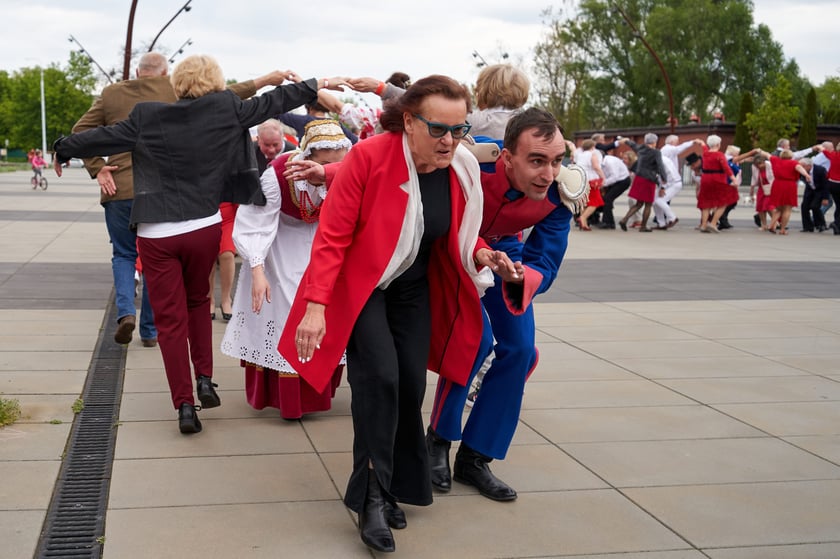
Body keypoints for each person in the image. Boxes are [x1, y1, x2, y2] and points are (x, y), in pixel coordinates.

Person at [275, 75, 518, 553]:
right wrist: (316, 307)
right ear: (408, 121)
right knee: (378, 380)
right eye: (438, 128)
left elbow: (457, 234)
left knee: (410, 383)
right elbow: (333, 236)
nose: (450, 140)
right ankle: (371, 498)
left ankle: (396, 486)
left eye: (459, 129)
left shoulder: (461, 168)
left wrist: (483, 253)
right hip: (363, 288)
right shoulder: (368, 158)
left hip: (413, 289)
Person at [54, 53, 349, 434]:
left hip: (157, 235)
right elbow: (274, 102)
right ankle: (205, 379)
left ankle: (183, 405)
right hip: (203, 227)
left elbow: (100, 137)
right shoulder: (226, 108)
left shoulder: (146, 116)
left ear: (178, 83)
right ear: (215, 82)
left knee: (170, 321)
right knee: (198, 304)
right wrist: (317, 84)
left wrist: (63, 148)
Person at [425, 108, 579, 505]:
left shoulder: (561, 196)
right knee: (473, 341)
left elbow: (545, 261)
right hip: (455, 245)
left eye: (557, 160)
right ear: (508, 157)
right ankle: (438, 441)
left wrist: (518, 277)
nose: (549, 173)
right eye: (537, 160)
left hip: (506, 254)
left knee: (520, 350)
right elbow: (396, 167)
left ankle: (476, 456)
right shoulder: (471, 161)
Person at [70, 52, 261, 346]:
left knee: (123, 254)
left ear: (137, 70)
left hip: (117, 188)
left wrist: (98, 169)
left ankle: (125, 313)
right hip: (158, 190)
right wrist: (265, 81)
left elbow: (80, 132)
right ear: (166, 73)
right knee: (153, 262)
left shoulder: (111, 93)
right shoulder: (174, 90)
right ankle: (149, 330)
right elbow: (226, 97)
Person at [221, 119, 352, 419]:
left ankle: (317, 391)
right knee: (284, 314)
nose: (329, 171)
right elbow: (256, 222)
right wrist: (257, 269)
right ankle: (287, 400)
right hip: (280, 244)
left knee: (324, 316)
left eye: (336, 165)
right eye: (325, 165)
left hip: (323, 245)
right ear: (308, 158)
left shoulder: (344, 172)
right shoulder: (278, 173)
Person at [619, 133, 666, 232]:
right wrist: (664, 178)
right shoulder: (656, 152)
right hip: (649, 179)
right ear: (654, 142)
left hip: (639, 177)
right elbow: (660, 166)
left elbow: (632, 144)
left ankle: (624, 219)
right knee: (648, 204)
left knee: (639, 203)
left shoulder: (640, 149)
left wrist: (625, 140)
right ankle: (643, 226)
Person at [760, 148, 813, 235]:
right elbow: (799, 168)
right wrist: (806, 174)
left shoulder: (775, 160)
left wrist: (759, 151)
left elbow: (766, 154)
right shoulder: (793, 163)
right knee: (787, 209)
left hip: (777, 184)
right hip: (789, 185)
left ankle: (772, 225)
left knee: (778, 208)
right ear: (791, 155)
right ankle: (782, 229)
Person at [696, 134, 735, 233]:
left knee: (706, 203)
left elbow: (704, 147)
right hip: (718, 179)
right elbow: (726, 168)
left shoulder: (705, 153)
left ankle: (704, 225)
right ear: (718, 144)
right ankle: (713, 223)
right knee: (723, 203)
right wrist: (733, 178)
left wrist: (701, 142)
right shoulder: (720, 155)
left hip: (706, 179)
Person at [573, 139, 605, 230]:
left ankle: (583, 222)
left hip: (582, 179)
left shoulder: (580, 155)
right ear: (592, 147)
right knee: (595, 202)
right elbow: (596, 167)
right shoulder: (592, 154)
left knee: (585, 201)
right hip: (591, 180)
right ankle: (583, 218)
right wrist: (603, 177)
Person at [597, 151, 632, 229]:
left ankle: (609, 223)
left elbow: (614, 177)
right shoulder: (602, 163)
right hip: (614, 181)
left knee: (607, 199)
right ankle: (604, 220)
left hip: (623, 181)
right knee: (605, 199)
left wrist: (603, 184)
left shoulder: (610, 162)